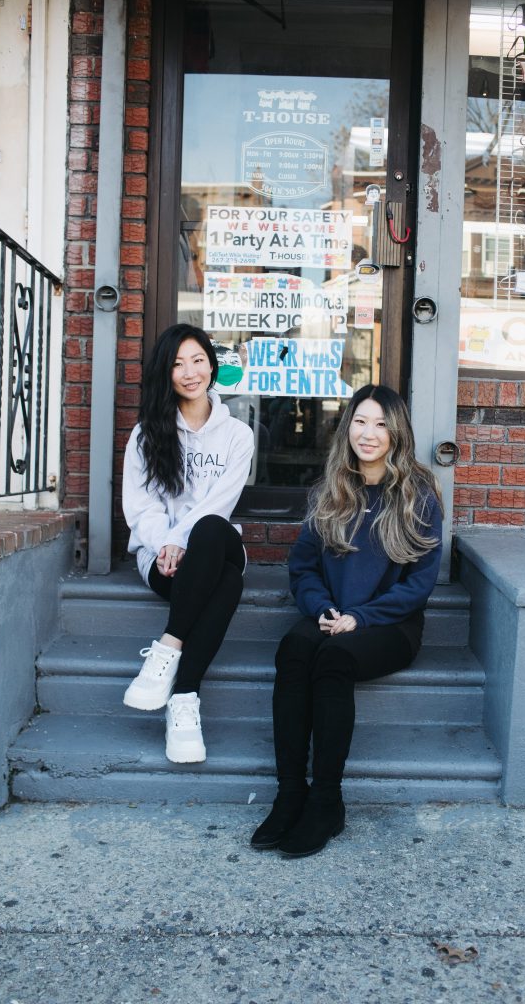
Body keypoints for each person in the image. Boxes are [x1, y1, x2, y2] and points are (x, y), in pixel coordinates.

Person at [251, 384, 443, 858]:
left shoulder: (418, 496)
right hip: (331, 614)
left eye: (380, 423)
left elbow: (418, 585)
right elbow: (303, 567)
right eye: (360, 421)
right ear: (348, 427)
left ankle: (327, 802)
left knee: (334, 659)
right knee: (294, 650)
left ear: (396, 432)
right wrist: (323, 609)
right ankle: (290, 794)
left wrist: (360, 618)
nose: (369, 433)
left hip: (391, 625)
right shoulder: (331, 490)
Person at [122, 323, 254, 764]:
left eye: (198, 360)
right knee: (228, 585)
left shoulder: (238, 435)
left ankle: (168, 649)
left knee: (212, 528)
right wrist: (165, 544)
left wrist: (181, 540)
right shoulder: (146, 435)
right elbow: (140, 507)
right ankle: (184, 699)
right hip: (162, 559)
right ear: (166, 373)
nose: (190, 371)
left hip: (214, 545)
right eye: (178, 363)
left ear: (212, 366)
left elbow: (220, 503)